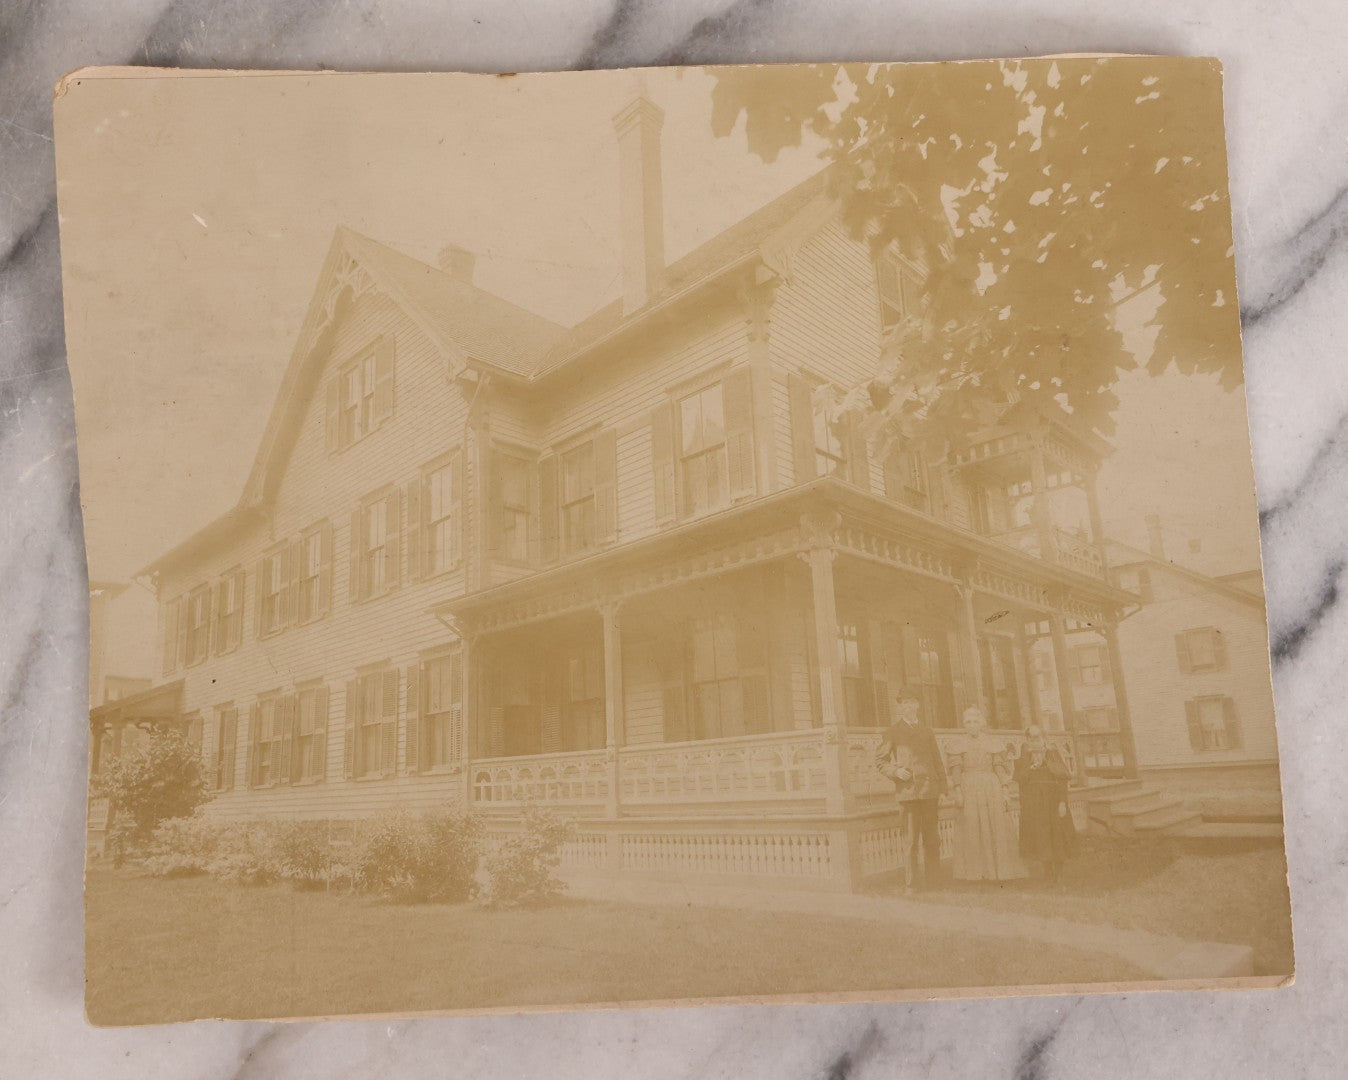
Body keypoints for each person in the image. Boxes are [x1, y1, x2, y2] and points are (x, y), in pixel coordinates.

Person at [874, 686, 948, 891]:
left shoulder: (927, 730)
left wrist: (942, 789)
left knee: (932, 839)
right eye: (904, 703)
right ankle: (912, 884)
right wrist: (896, 771)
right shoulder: (892, 732)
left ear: (918, 705)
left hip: (929, 791)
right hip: (908, 793)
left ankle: (934, 883)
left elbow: (937, 760)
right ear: (899, 707)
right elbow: (880, 761)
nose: (908, 706)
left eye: (912, 702)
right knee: (910, 841)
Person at [948, 705, 1027, 882]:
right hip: (968, 787)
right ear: (964, 724)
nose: (971, 725)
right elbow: (956, 770)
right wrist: (958, 791)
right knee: (972, 826)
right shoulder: (957, 744)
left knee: (995, 826)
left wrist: (1005, 790)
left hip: (991, 787)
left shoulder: (993, 743)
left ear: (981, 723)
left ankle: (999, 871)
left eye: (975, 721)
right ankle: (977, 872)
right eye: (968, 722)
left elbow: (999, 768)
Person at [1013, 724, 1077, 883]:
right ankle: (1048, 871)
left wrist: (1062, 802)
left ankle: (1059, 871)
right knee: (1042, 836)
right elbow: (1020, 779)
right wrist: (1031, 767)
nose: (1034, 741)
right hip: (1034, 803)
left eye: (1037, 738)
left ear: (1043, 738)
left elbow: (1062, 779)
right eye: (1030, 738)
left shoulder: (1052, 754)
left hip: (1053, 801)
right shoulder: (1024, 756)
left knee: (1057, 835)